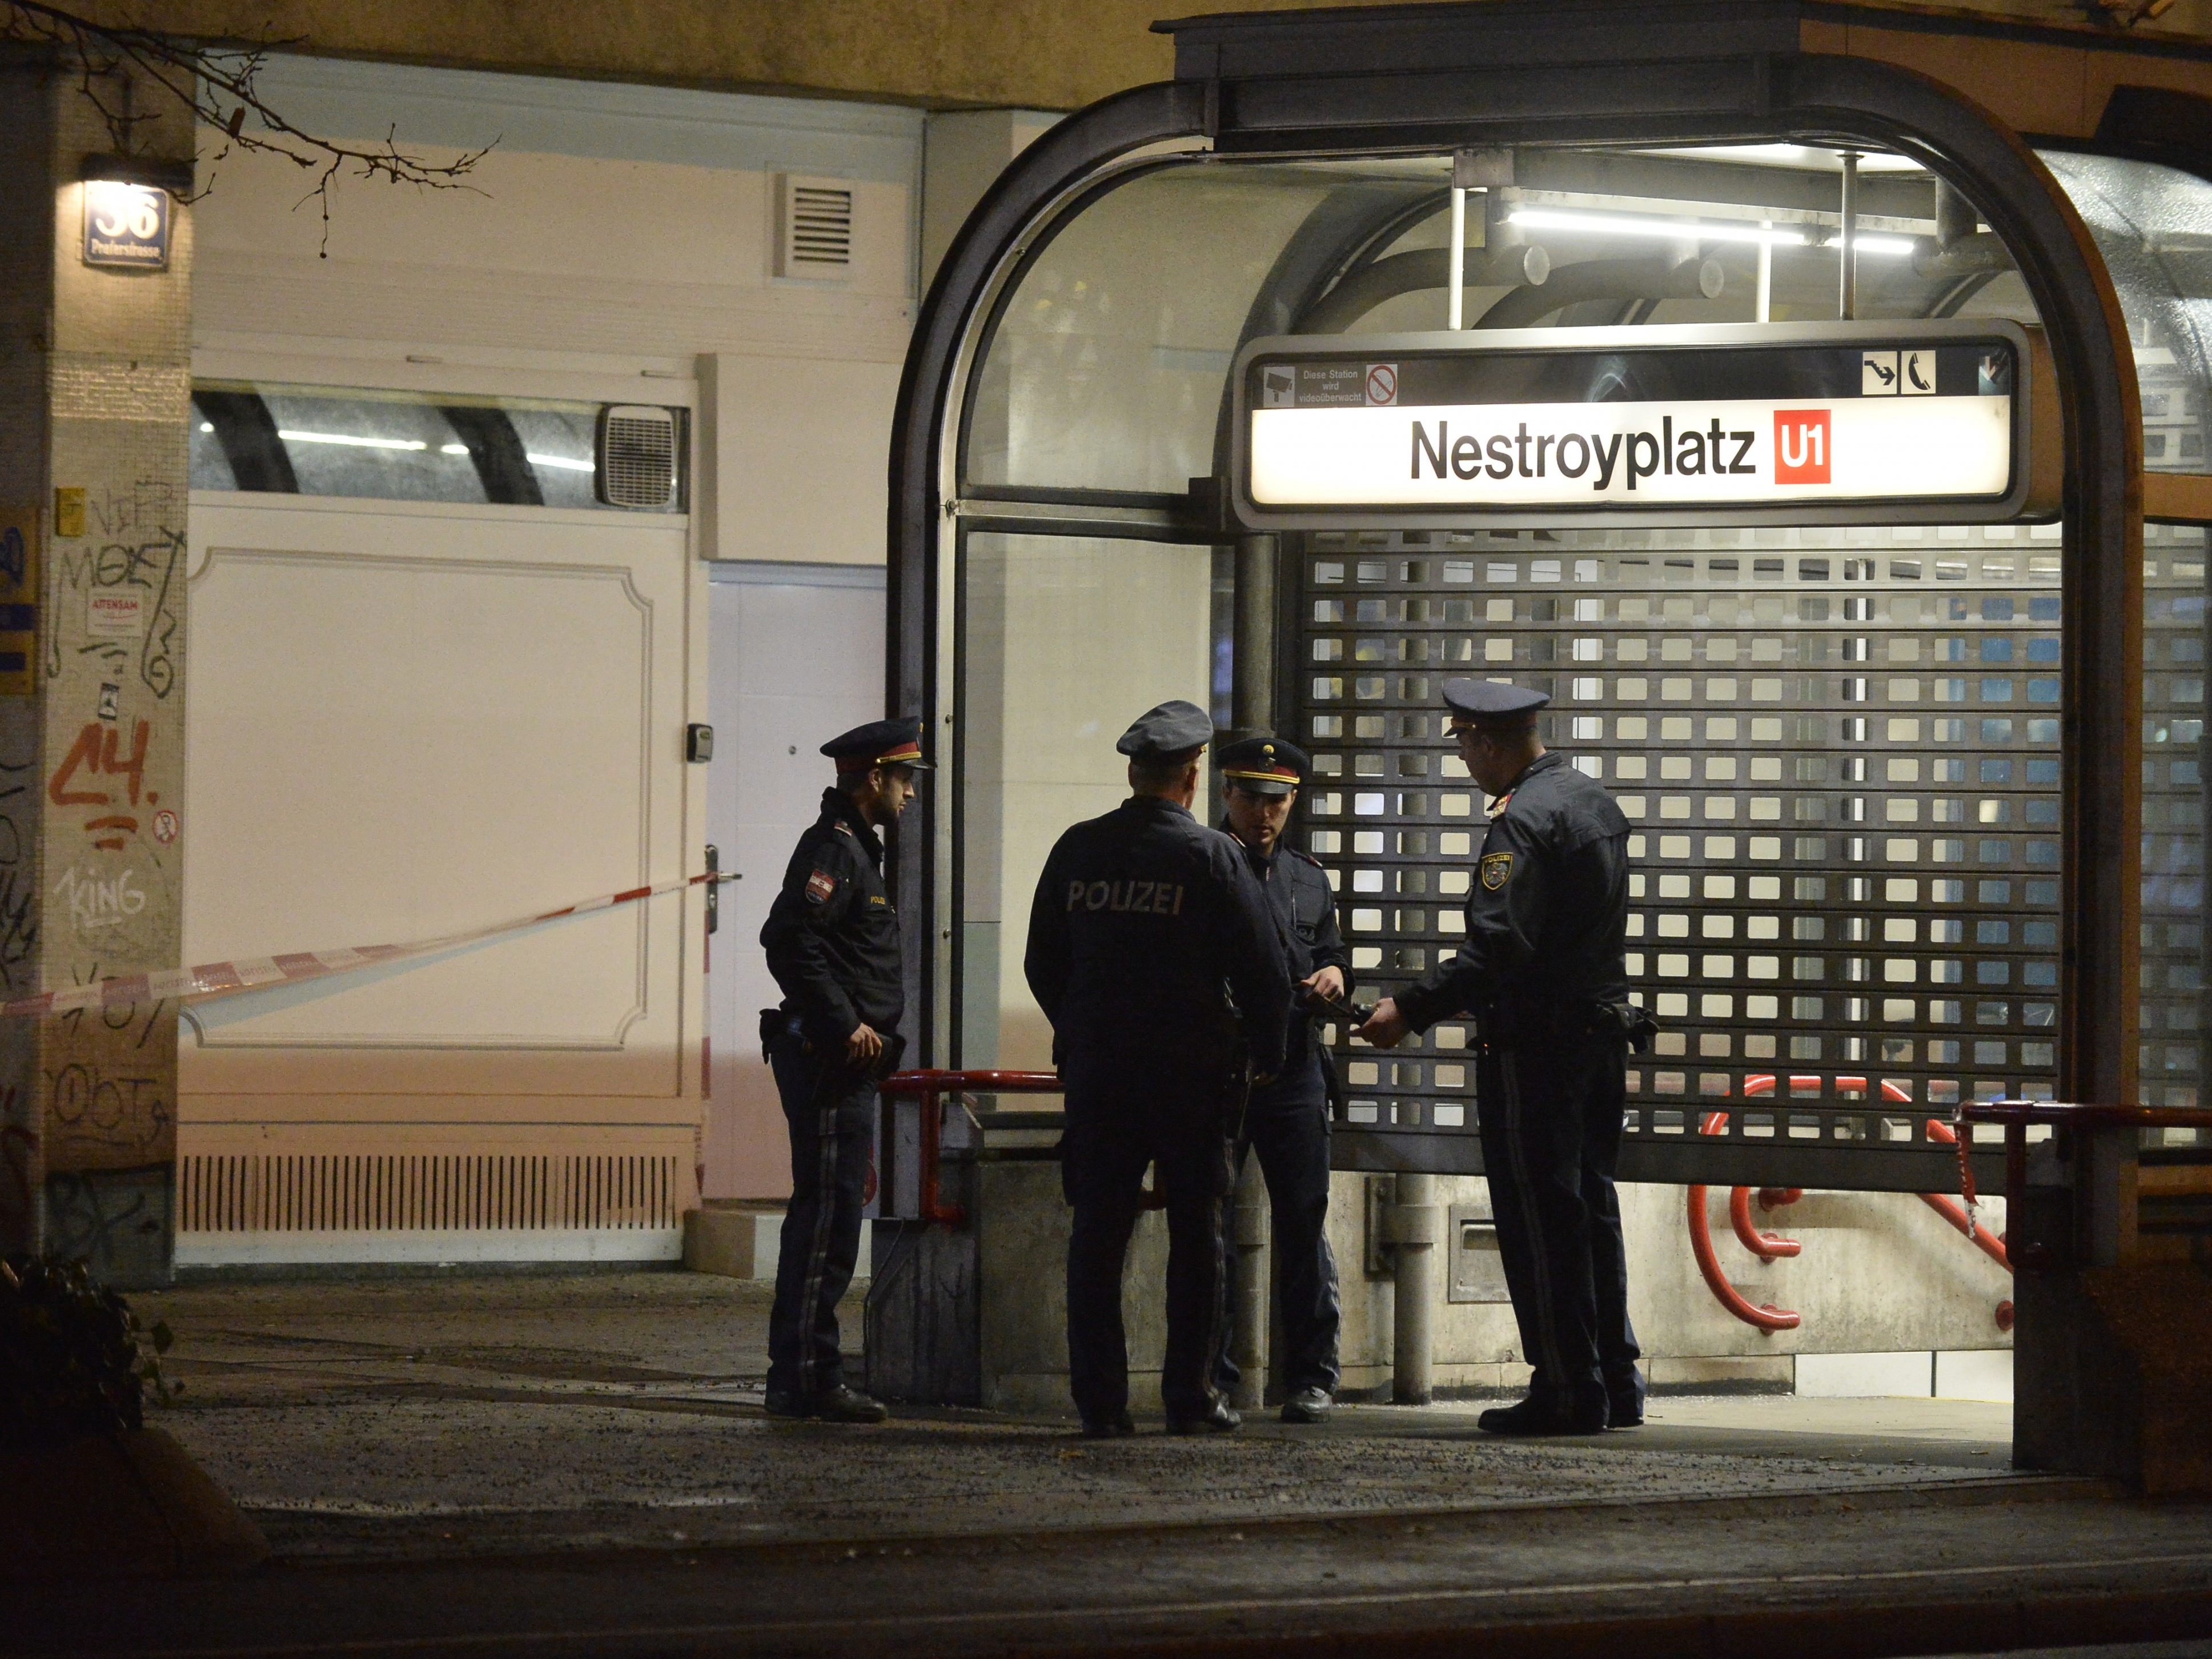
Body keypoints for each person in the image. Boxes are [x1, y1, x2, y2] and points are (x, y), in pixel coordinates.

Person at [1354, 679, 1647, 1436]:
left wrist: (1408, 1009)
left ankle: (1565, 1389)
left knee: (1540, 1216)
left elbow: (1495, 950)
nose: (1466, 763)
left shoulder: (1521, 822)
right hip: (1601, 1039)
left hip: (1536, 1049)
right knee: (1590, 1209)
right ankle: (1615, 1375)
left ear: (1486, 740)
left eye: (1463, 747)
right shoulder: (1593, 803)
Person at [1024, 700, 1291, 1438]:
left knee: (1098, 1233)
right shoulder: (1211, 856)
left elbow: (1041, 961)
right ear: (1191, 775)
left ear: (1136, 772)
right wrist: (1265, 1054)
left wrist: (1079, 1028)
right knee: (1197, 1234)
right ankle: (1190, 1394)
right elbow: (1265, 971)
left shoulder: (1076, 849)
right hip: (1190, 1076)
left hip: (1100, 1076)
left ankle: (1101, 1402)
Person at [758, 716, 929, 1423]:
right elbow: (790, 939)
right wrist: (844, 1023)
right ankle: (806, 1376)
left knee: (830, 1222)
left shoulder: (858, 849)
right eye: (907, 779)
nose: (913, 794)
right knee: (825, 1225)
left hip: (845, 1066)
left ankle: (807, 1373)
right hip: (829, 1063)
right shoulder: (835, 849)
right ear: (875, 779)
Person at [1209, 735, 1348, 1425]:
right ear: (1227, 795)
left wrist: (1334, 975)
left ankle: (1312, 1375)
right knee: (1210, 1223)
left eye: (1278, 801)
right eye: (1252, 798)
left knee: (1303, 1223)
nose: (1264, 813)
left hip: (1295, 1066)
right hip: (1224, 1068)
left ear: (1293, 803)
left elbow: (1331, 952)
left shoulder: (1308, 878)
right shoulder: (1205, 865)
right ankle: (1214, 1373)